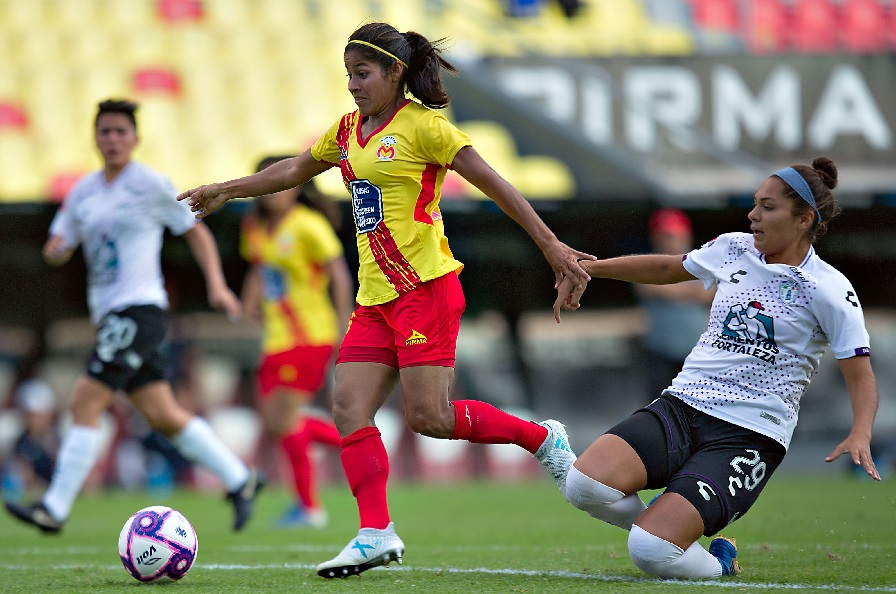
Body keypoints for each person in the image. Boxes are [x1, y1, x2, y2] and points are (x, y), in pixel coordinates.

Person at [177, 22, 594, 578]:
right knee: (348, 409)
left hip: (425, 289)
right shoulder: (348, 130)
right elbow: (293, 170)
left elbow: (497, 185)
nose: (352, 84)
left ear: (395, 73)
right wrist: (227, 189)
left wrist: (550, 245)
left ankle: (542, 437)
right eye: (348, 74)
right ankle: (376, 533)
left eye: (363, 73)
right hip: (376, 298)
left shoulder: (426, 128)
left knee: (430, 417)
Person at [552, 157, 880, 579]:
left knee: (650, 554)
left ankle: (715, 562)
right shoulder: (734, 247)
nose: (753, 215)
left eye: (767, 207)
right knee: (584, 486)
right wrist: (590, 269)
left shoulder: (830, 289)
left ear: (803, 220)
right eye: (755, 204)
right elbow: (669, 268)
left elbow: (860, 372)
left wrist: (860, 431)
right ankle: (664, 526)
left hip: (748, 434)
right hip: (684, 404)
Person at [4, 99, 264, 534]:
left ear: (135, 139)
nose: (112, 139)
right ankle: (243, 479)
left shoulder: (150, 185)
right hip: (110, 316)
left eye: (121, 131)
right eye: (105, 131)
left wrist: (217, 285)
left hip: (140, 310)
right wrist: (56, 249)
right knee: (162, 412)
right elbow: (59, 240)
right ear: (95, 138)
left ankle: (54, 507)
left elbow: (194, 230)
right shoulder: (83, 192)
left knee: (86, 400)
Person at [239, 156, 353, 528]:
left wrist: (342, 325)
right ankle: (357, 440)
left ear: (300, 186)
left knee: (285, 420)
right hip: (274, 339)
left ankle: (308, 506)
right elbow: (260, 268)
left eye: (284, 182)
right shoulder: (254, 227)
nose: (276, 190)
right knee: (277, 423)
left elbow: (339, 276)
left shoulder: (309, 225)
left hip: (309, 335)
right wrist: (248, 304)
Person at [635, 208, 714, 400]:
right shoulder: (646, 264)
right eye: (665, 236)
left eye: (675, 235)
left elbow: (712, 294)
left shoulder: (701, 262)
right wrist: (692, 292)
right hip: (661, 351)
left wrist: (675, 291)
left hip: (697, 353)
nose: (671, 241)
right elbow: (648, 287)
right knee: (658, 407)